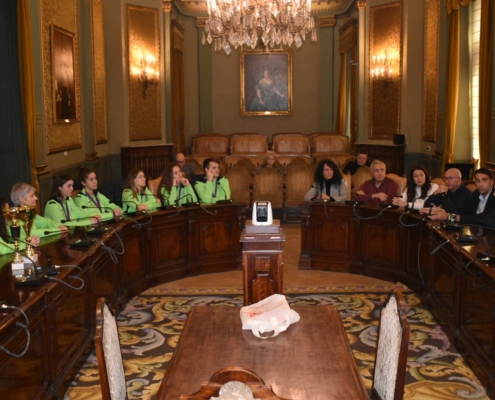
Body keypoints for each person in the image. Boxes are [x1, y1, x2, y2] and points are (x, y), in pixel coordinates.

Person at [421, 168, 495, 224]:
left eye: (484, 180)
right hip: (472, 228)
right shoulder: (476, 194)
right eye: (478, 181)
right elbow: (465, 213)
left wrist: (449, 216)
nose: (480, 184)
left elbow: (484, 218)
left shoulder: (467, 194)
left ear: (492, 182)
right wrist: (437, 210)